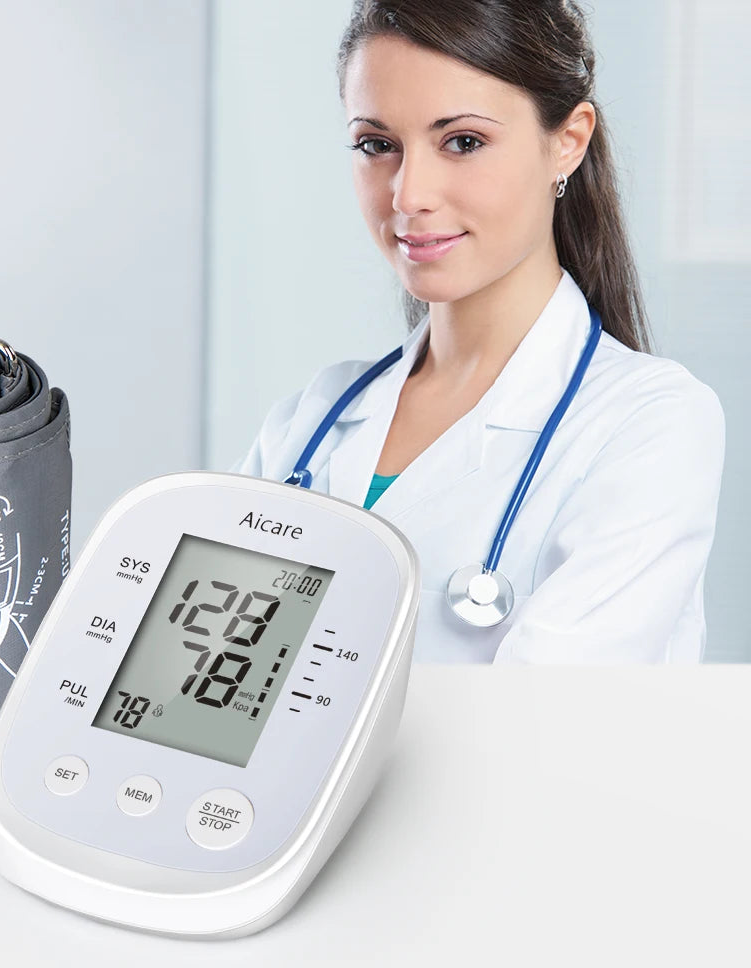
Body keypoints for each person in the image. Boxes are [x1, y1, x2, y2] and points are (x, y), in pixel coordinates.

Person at [229, 0, 725, 663]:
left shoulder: (647, 422)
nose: (409, 195)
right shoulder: (310, 421)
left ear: (568, 141)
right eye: (378, 145)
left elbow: (547, 713)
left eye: (463, 142)